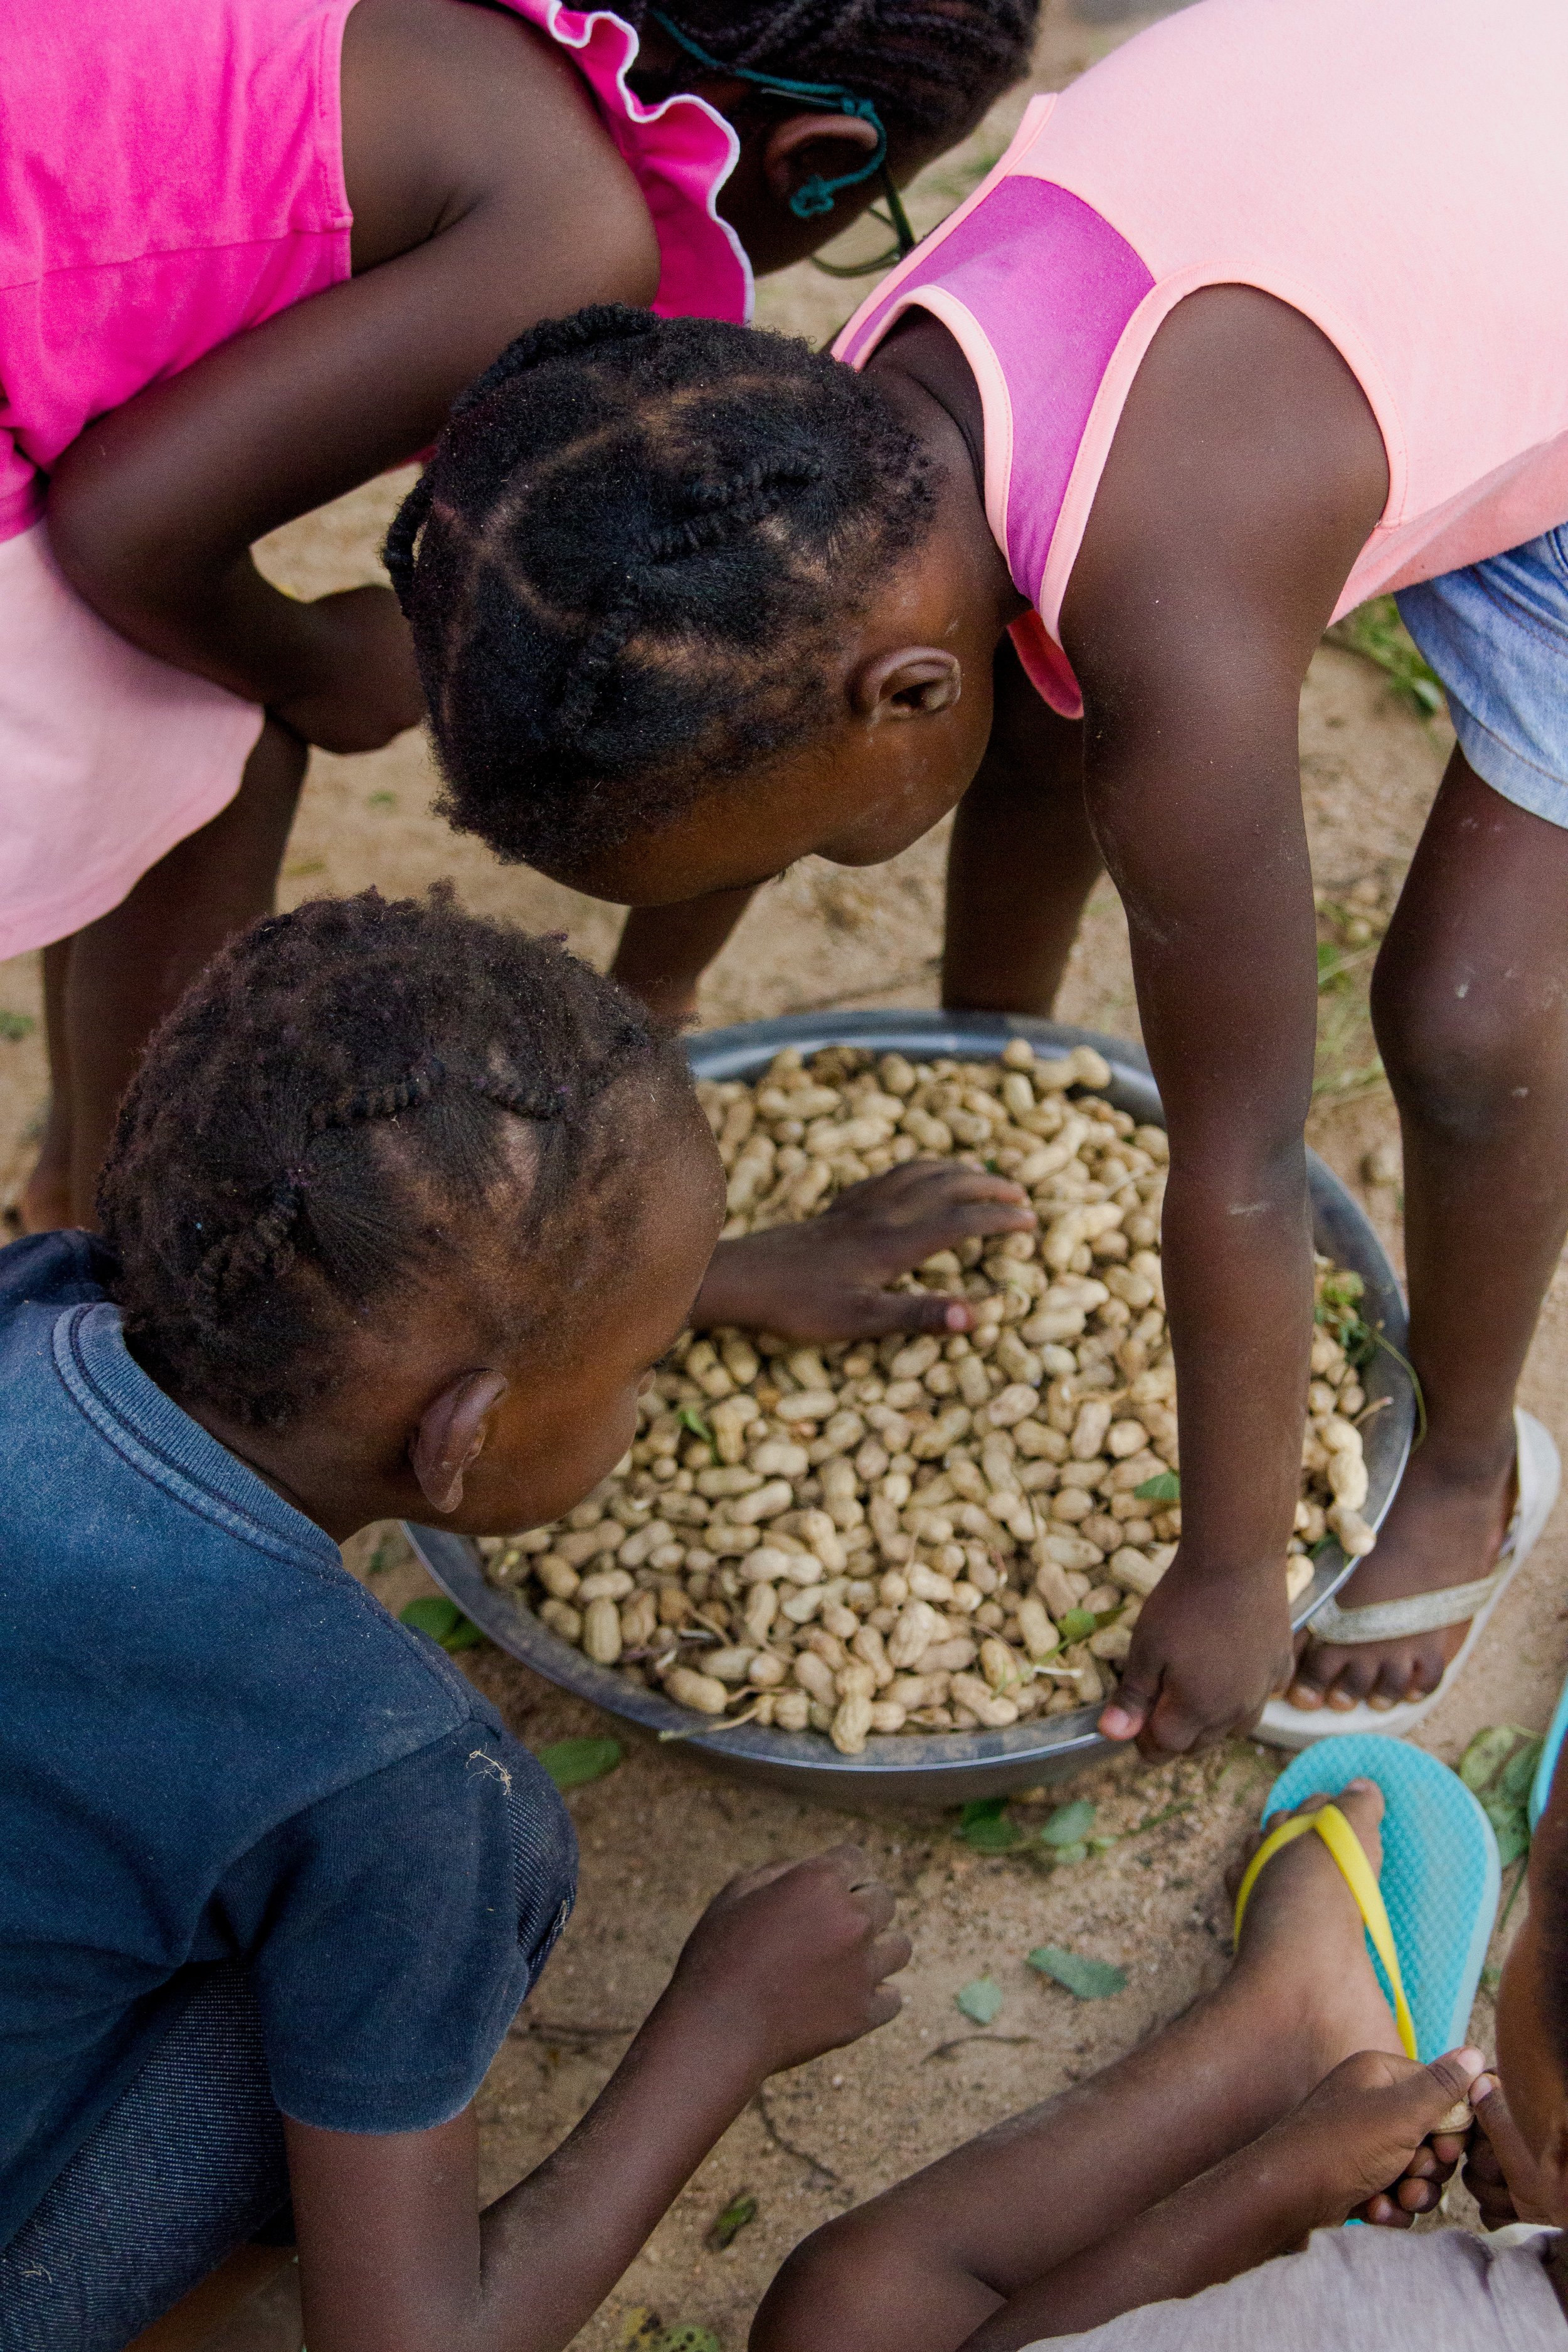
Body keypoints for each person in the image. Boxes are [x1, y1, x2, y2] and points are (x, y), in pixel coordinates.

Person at [386, 0, 1568, 1750]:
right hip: (1406, 177)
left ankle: (1466, 1458)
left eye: (791, 844)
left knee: (1470, 1020)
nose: (791, 864)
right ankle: (996, 1028)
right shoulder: (827, 464)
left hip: (1515, 310)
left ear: (900, 692)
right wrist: (640, 1032)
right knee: (1033, 723)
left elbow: (1237, 1148)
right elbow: (739, 766)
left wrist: (1233, 1565)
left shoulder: (1169, 598)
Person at [0, 885, 911, 2352]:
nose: (648, 1392)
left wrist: (680, 1287)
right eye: (642, 1359)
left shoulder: (33, 1306)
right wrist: (725, 2028)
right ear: (464, 1434)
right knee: (475, 1882)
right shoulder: (398, 1783)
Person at [3, 0, 1038, 1234]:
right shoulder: (569, 229)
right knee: (219, 758)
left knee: (185, 718)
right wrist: (324, 659)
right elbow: (131, 529)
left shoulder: (435, 46)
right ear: (815, 162)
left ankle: (79, 1180)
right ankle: (140, 1241)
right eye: (877, 214)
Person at [746, 1770, 1566, 2352]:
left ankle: (1281, 2023)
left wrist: (1287, 2179)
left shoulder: (1365, 2316)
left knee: (846, 2308)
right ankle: (1284, 2029)